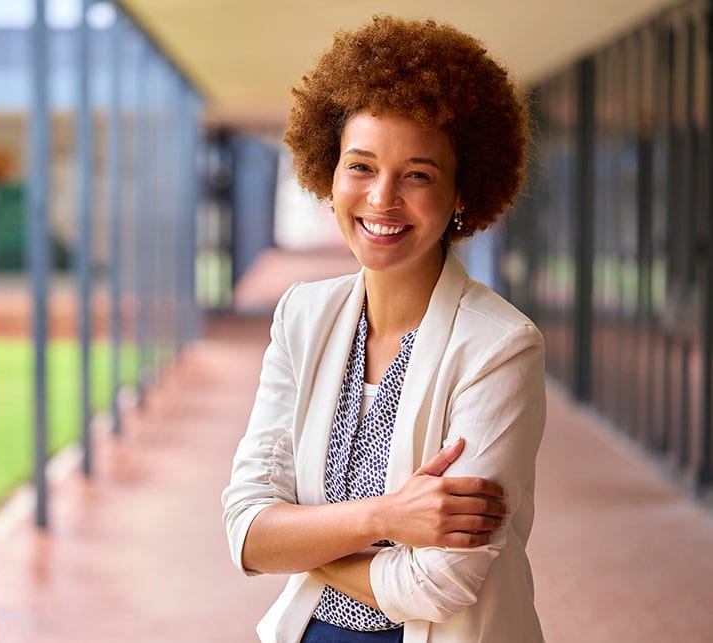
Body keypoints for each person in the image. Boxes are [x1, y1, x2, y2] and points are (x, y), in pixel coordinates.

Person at [222, 16, 546, 643]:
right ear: (331, 172)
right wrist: (387, 516)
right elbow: (245, 529)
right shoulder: (301, 316)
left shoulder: (500, 348)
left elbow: (440, 584)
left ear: (461, 191)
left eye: (418, 174)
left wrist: (301, 537)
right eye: (361, 166)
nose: (381, 198)